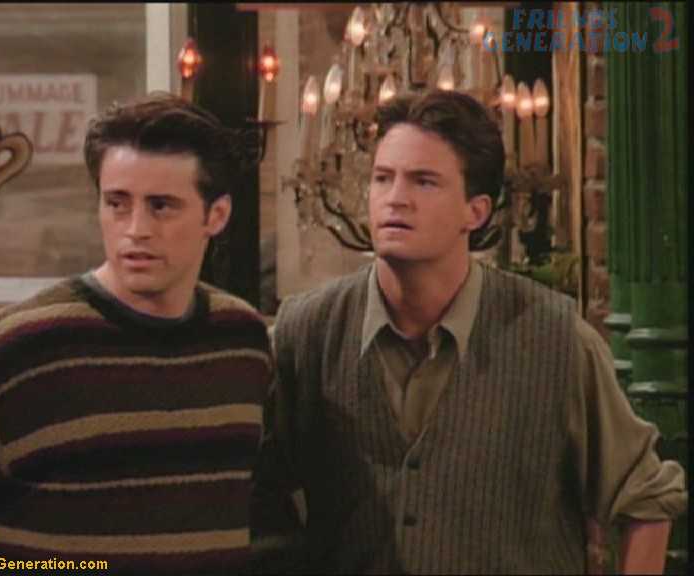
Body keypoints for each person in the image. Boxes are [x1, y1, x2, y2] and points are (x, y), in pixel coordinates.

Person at [260, 89, 687, 574]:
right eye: (383, 178)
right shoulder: (307, 333)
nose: (395, 198)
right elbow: (257, 497)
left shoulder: (555, 338)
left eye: (424, 181)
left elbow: (647, 497)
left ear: (476, 211)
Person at [0, 93, 272, 574]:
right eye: (117, 203)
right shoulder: (1, 356)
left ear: (216, 216)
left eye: (161, 207)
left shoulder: (242, 342)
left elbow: (262, 513)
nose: (136, 229)